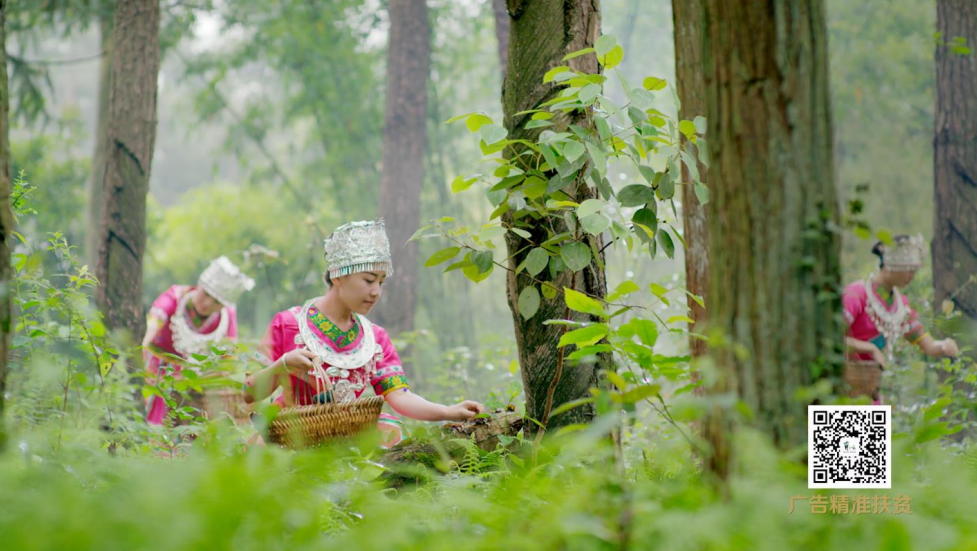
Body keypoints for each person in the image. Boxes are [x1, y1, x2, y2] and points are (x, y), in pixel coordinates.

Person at [244, 220, 484, 447]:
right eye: (369, 280)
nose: (376, 292)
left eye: (381, 283)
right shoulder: (288, 324)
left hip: (347, 435)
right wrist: (282, 365)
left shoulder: (375, 338)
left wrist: (448, 411)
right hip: (289, 434)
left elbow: (399, 397)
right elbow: (249, 393)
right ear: (337, 276)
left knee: (394, 433)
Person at [143, 256, 255, 425]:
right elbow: (152, 324)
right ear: (199, 285)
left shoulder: (227, 316)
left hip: (196, 383)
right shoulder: (174, 297)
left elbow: (229, 358)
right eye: (206, 294)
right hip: (157, 374)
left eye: (217, 301)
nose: (208, 303)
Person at [843, 234, 959, 368]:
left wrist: (943, 345)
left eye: (914, 270)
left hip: (871, 381)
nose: (912, 275)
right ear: (889, 267)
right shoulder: (855, 295)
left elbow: (927, 344)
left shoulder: (901, 306)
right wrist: (870, 348)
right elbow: (830, 338)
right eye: (908, 269)